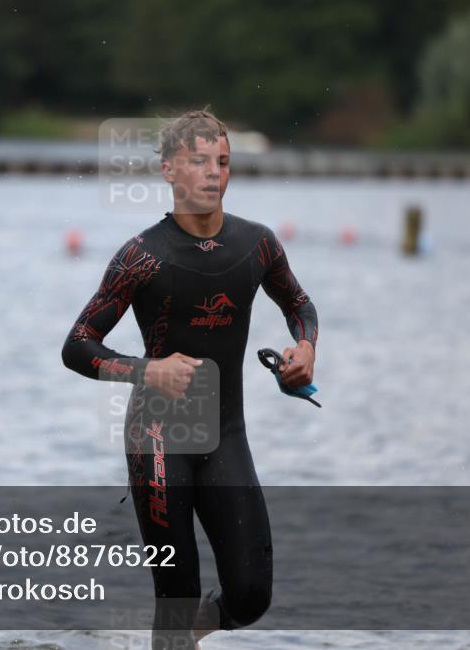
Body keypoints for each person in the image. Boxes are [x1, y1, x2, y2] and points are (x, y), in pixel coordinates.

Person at [62, 110, 318, 649]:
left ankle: (179, 640)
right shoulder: (141, 256)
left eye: (222, 162)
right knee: (177, 594)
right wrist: (146, 369)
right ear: (169, 170)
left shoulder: (257, 244)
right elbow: (78, 346)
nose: (213, 173)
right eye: (199, 162)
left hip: (226, 435)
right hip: (157, 436)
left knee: (250, 596)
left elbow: (298, 304)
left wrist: (306, 349)